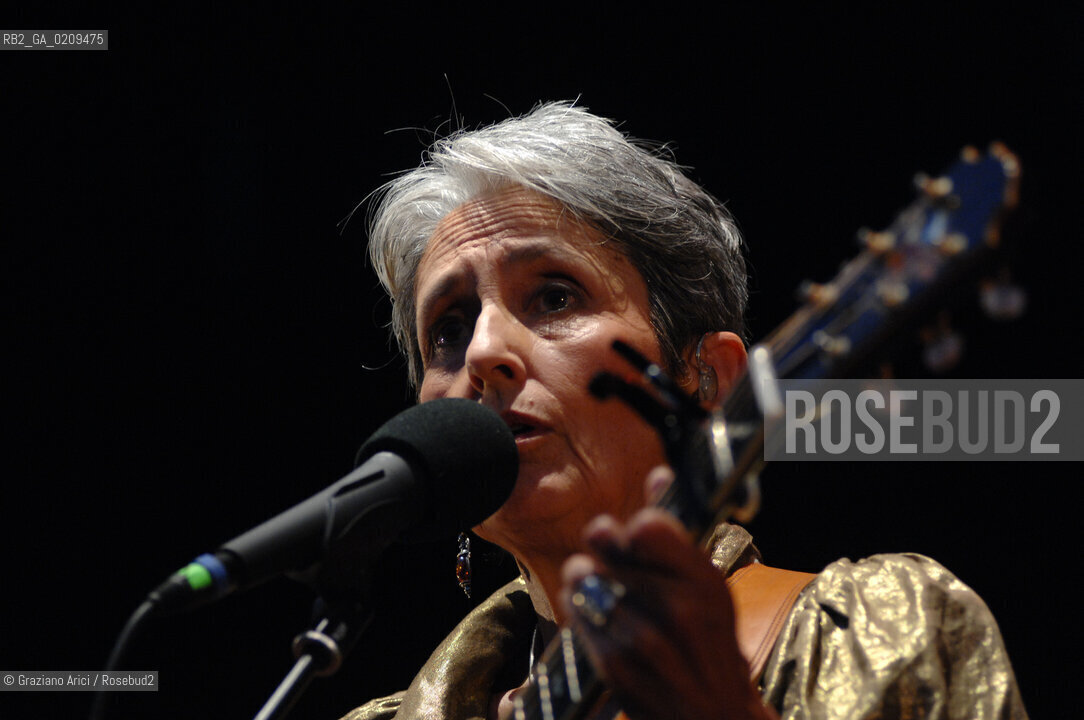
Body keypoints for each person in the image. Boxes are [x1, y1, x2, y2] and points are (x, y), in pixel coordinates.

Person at [343, 102, 1028, 720]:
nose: (486, 349)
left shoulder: (883, 635)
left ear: (708, 379)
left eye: (555, 298)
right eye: (449, 329)